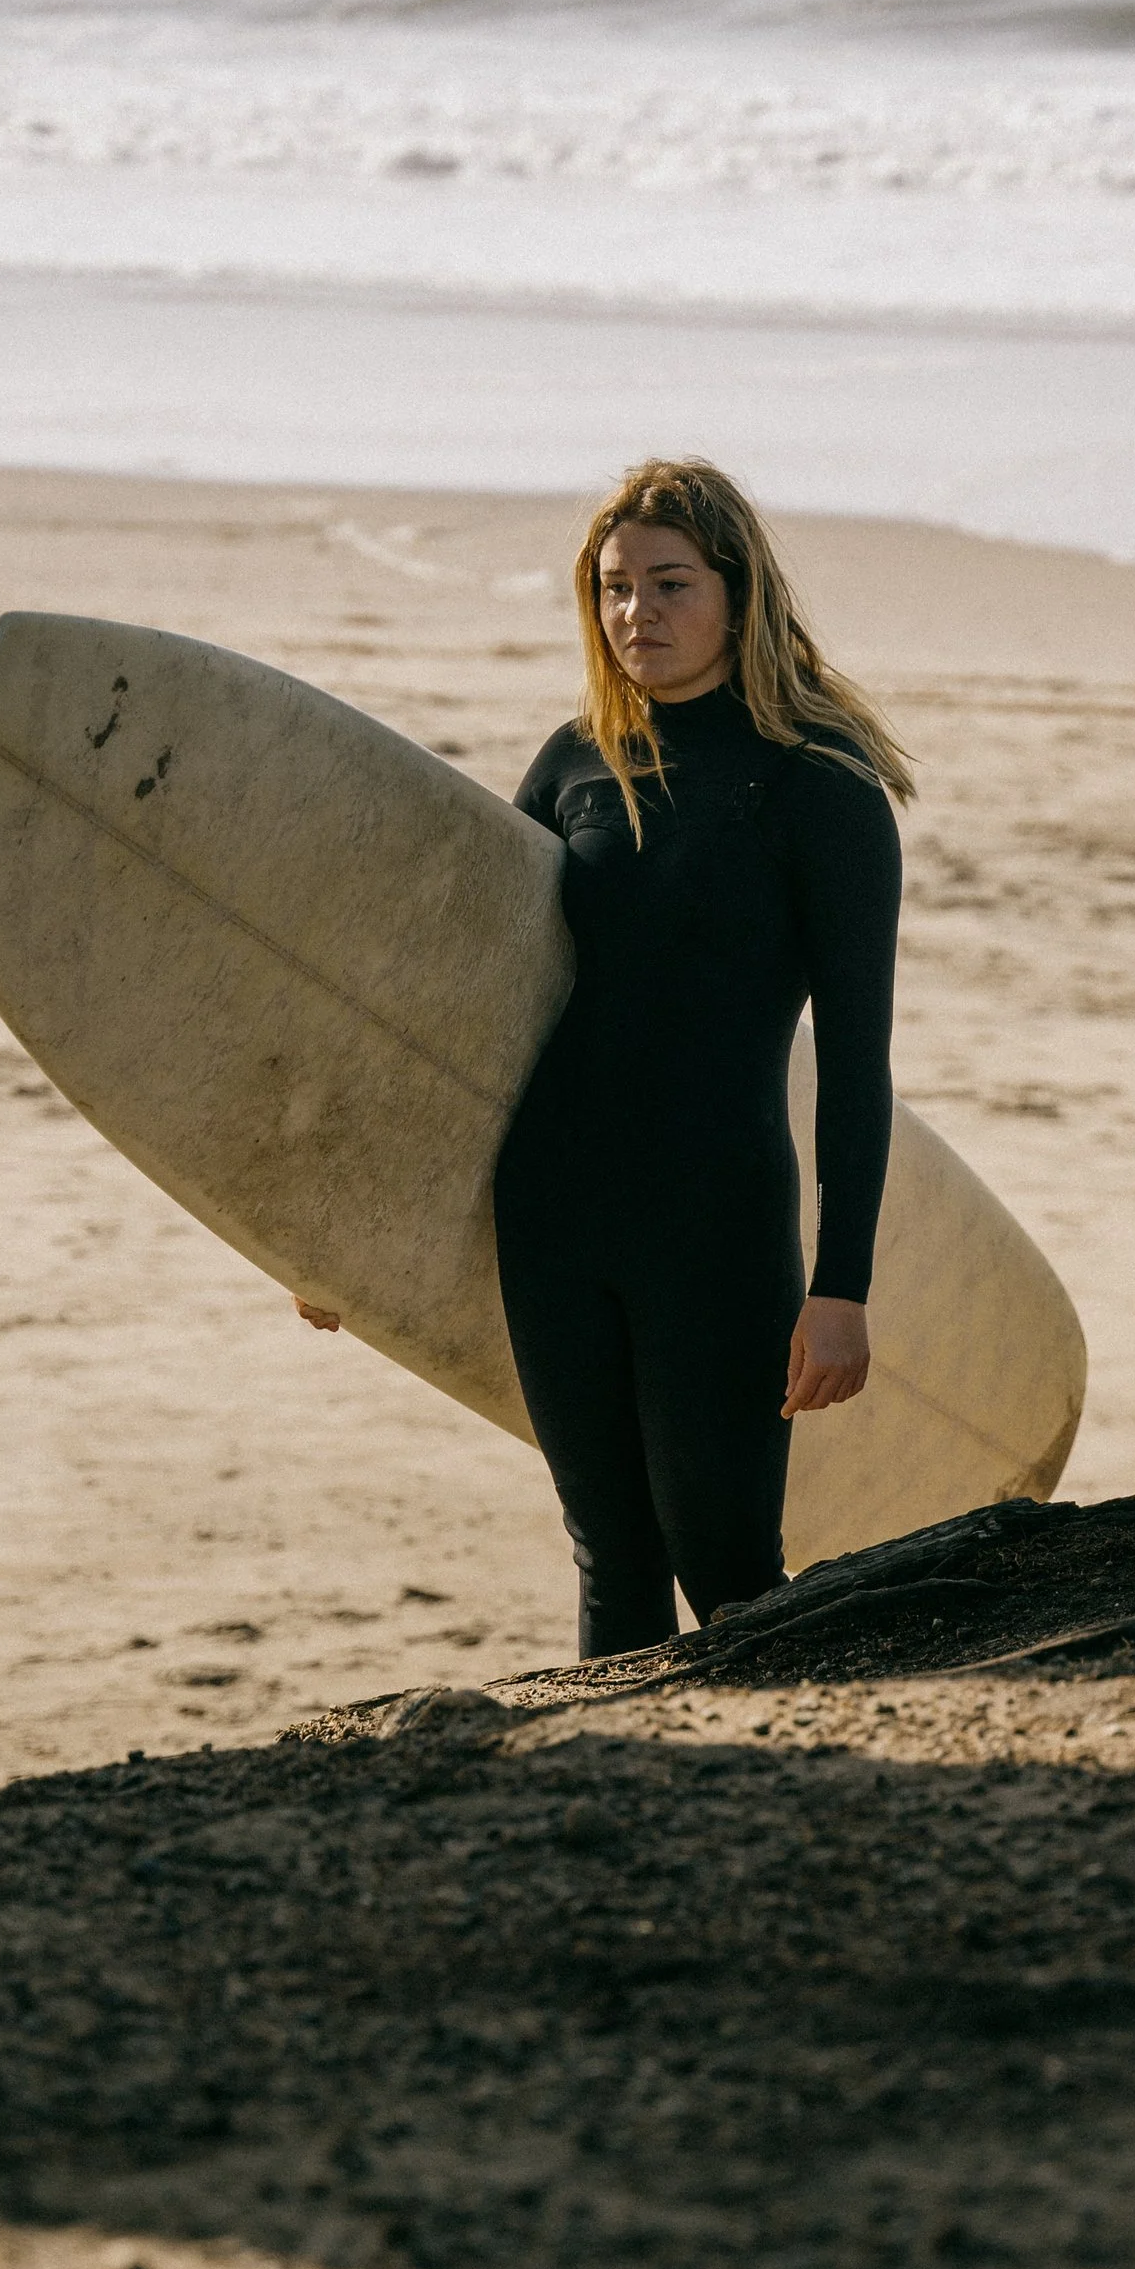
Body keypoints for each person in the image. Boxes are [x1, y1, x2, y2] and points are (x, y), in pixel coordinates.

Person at [303, 457, 910, 1658]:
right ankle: (628, 1782)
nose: (640, 615)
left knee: (729, 1564)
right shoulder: (577, 760)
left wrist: (841, 1286)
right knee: (610, 1552)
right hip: (553, 1211)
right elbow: (472, 1015)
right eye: (615, 588)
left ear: (741, 594)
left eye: (671, 584)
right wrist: (347, 1235)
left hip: (716, 1224)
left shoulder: (820, 787)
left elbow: (855, 1057)